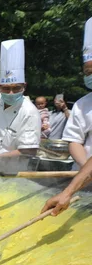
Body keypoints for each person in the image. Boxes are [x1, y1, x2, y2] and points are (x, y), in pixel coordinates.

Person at [0, 39, 40, 165]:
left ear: (24, 86)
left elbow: (29, 151)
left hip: (14, 168)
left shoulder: (30, 112)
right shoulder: (0, 98)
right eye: (6, 88)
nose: (10, 93)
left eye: (16, 88)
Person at [61, 17, 92, 169]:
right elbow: (74, 140)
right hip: (83, 178)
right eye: (88, 72)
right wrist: (86, 169)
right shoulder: (82, 104)